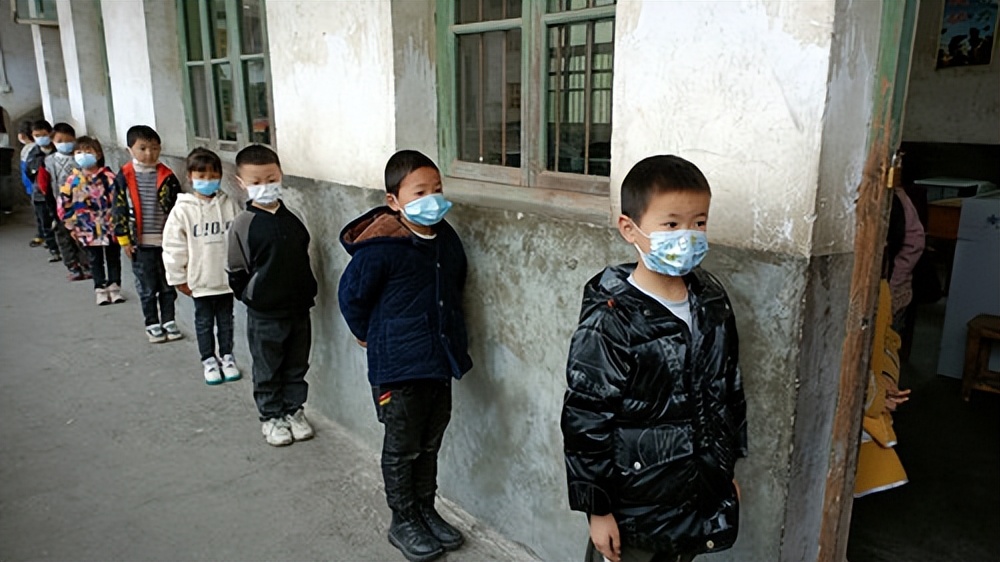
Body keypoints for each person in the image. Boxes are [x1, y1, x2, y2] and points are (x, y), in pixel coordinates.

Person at [561, 155, 747, 562]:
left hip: (695, 500)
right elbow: (586, 420)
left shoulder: (711, 301)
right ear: (630, 228)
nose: (688, 236)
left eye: (699, 223)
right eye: (672, 224)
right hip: (635, 511)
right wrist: (598, 509)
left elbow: (728, 393)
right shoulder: (612, 320)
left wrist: (723, 474)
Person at [338, 150, 472, 562]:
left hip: (438, 361)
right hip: (397, 368)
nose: (432, 199)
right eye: (420, 192)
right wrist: (367, 334)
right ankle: (403, 519)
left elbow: (456, 281)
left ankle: (425, 509)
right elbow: (351, 297)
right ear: (393, 201)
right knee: (402, 447)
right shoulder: (382, 247)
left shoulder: (445, 238)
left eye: (437, 189)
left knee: (429, 443)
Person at [226, 144, 317, 446]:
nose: (265, 187)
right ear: (241, 183)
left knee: (296, 365)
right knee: (267, 367)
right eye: (256, 182)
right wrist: (253, 295)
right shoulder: (243, 224)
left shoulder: (294, 217)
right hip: (265, 314)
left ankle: (294, 411)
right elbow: (236, 269)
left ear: (280, 175)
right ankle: (271, 417)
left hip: (299, 309)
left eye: (271, 179)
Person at [162, 148, 242, 385]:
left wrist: (241, 273)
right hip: (200, 282)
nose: (208, 180)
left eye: (213, 176)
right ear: (190, 177)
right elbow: (173, 246)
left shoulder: (229, 205)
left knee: (226, 321)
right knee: (204, 323)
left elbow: (240, 239)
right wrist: (177, 277)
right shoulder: (182, 210)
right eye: (201, 175)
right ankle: (208, 360)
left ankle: (227, 357)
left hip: (225, 280)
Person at [112, 125, 183, 343]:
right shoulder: (124, 176)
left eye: (154, 148)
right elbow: (118, 209)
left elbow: (178, 209)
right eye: (142, 148)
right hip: (140, 244)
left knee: (168, 284)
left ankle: (169, 320)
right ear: (129, 150)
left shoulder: (167, 176)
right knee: (147, 286)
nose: (149, 153)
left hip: (166, 242)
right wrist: (124, 239)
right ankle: (152, 323)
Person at [58, 136, 125, 305]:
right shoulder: (73, 180)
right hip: (86, 228)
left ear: (98, 154)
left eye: (88, 151)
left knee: (113, 258)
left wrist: (121, 222)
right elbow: (64, 203)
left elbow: (119, 200)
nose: (83, 155)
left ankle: (114, 287)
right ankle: (100, 289)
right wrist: (70, 225)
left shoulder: (108, 177)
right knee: (95, 260)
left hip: (109, 226)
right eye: (79, 152)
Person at [42, 122, 91, 280]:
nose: (65, 144)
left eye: (68, 140)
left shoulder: (80, 159)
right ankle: (72, 265)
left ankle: (86, 263)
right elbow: (45, 185)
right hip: (60, 206)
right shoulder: (49, 161)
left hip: (80, 205)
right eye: (60, 141)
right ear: (53, 141)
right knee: (64, 237)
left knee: (83, 234)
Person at [23, 120, 61, 262]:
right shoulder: (33, 154)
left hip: (59, 194)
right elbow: (29, 172)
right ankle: (53, 249)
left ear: (50, 133)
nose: (41, 138)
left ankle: (67, 249)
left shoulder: (58, 150)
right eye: (37, 136)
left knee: (61, 222)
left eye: (43, 135)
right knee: (46, 223)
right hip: (41, 195)